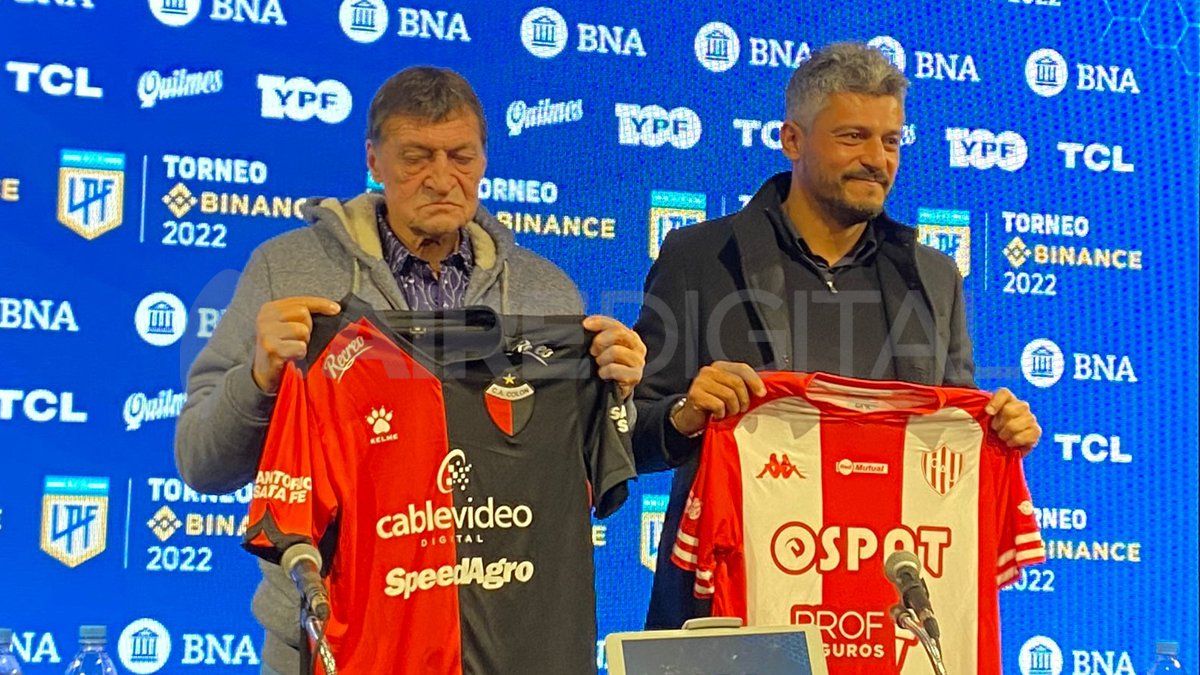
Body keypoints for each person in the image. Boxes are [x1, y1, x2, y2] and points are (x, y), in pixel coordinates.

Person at [174, 66, 646, 674]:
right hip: (330, 643)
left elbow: (574, 483)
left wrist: (617, 395)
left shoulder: (544, 291)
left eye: (461, 156)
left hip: (502, 642)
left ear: (484, 159)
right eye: (416, 157)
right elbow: (199, 463)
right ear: (374, 160)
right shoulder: (285, 271)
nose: (442, 179)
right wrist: (261, 376)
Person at [631, 42, 1042, 630]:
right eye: (853, 137)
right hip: (741, 615)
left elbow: (948, 444)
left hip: (886, 619)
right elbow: (631, 434)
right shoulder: (700, 258)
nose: (878, 158)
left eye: (892, 140)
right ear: (792, 140)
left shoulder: (933, 277)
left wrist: (998, 433)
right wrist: (685, 414)